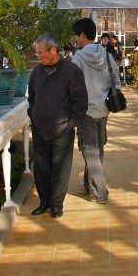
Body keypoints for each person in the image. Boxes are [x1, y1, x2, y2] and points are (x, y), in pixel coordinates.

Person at [27, 32, 88, 218]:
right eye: (37, 53)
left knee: (60, 168)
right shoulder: (36, 73)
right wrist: (33, 116)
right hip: (40, 129)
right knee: (41, 167)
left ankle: (56, 205)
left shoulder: (71, 72)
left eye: (40, 53)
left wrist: (70, 125)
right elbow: (32, 99)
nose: (39, 56)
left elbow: (80, 103)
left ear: (53, 50)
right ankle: (44, 202)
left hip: (62, 130)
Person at [71, 17, 121, 205]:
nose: (76, 39)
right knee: (96, 149)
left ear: (82, 35)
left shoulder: (78, 58)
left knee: (90, 151)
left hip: (86, 112)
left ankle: (99, 192)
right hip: (104, 110)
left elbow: (72, 87)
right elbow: (116, 81)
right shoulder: (107, 53)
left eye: (76, 35)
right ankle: (87, 184)